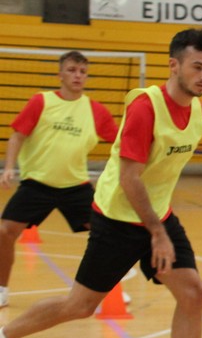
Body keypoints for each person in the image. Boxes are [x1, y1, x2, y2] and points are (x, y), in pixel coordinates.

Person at [0, 27, 202, 338]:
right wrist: (156, 233)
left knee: (194, 292)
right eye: (197, 66)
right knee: (79, 306)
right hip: (119, 220)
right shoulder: (145, 108)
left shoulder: (199, 112)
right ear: (174, 65)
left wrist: (160, 226)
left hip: (158, 216)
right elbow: (130, 178)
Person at [0, 50, 119, 309]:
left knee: (107, 234)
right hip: (37, 185)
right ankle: (1, 290)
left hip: (75, 187)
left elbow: (121, 143)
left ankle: (108, 291)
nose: (78, 76)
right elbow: (17, 136)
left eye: (83, 72)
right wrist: (9, 167)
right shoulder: (40, 102)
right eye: (72, 70)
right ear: (60, 75)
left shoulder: (96, 111)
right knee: (4, 232)